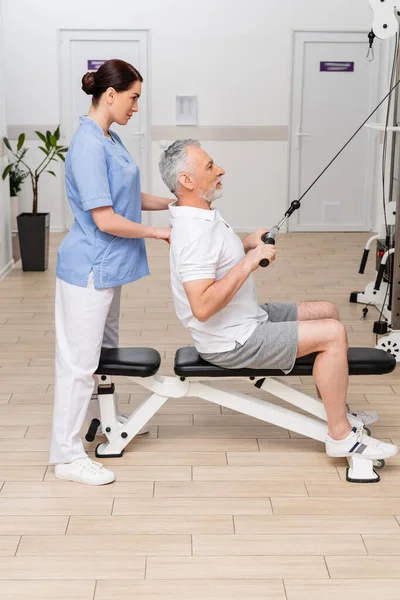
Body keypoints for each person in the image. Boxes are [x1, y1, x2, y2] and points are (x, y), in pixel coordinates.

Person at [159, 139, 398, 462]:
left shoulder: (200, 215)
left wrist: (245, 245)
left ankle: (336, 410)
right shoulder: (193, 234)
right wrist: (250, 260)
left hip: (245, 318)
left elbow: (214, 264)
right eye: (210, 166)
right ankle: (340, 435)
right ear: (187, 181)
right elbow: (201, 307)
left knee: (327, 311)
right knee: (332, 334)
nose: (221, 170)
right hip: (232, 340)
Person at [50, 59, 172, 485]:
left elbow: (125, 194)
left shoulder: (109, 138)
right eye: (134, 97)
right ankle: (66, 456)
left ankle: (101, 420)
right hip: (88, 267)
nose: (136, 106)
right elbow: (105, 218)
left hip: (110, 268)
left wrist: (174, 203)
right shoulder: (86, 146)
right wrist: (160, 234)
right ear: (110, 95)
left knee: (102, 357)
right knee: (79, 364)